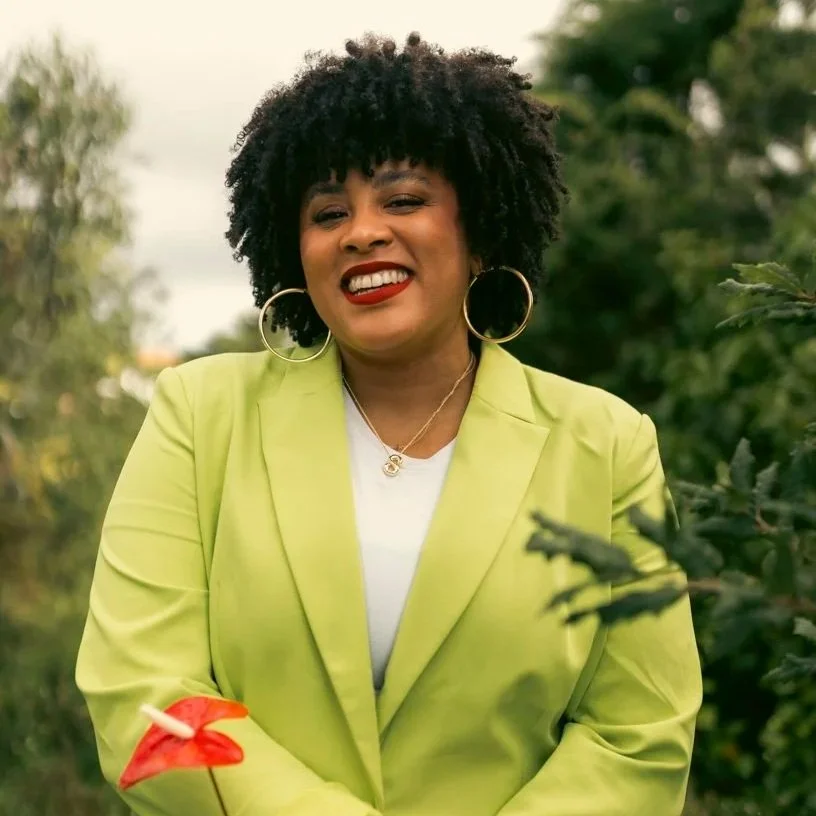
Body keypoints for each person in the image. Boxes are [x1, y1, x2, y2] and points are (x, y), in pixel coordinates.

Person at [76, 32, 703, 816]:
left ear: (480, 232)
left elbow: (638, 735)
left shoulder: (607, 445)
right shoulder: (198, 417)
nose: (362, 231)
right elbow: (144, 695)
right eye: (328, 212)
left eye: (403, 200)